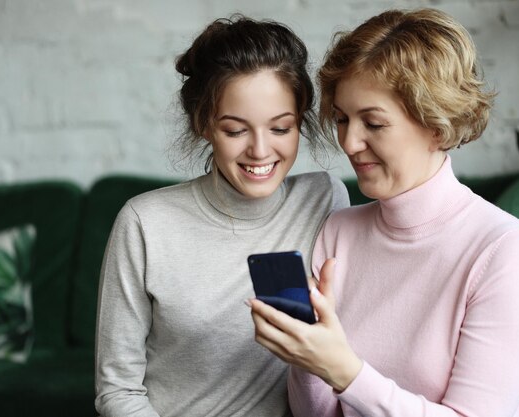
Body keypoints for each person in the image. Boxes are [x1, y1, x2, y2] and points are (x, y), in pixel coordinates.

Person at [248, 8, 519, 417]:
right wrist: (308, 357)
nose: (350, 142)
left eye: (373, 123)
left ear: (437, 126)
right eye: (342, 119)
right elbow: (312, 413)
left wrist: (345, 371)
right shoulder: (339, 230)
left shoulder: (503, 251)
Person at [94, 15, 350, 417]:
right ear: (204, 125)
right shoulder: (145, 223)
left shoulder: (324, 200)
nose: (260, 151)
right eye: (235, 131)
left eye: (281, 128)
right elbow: (118, 390)